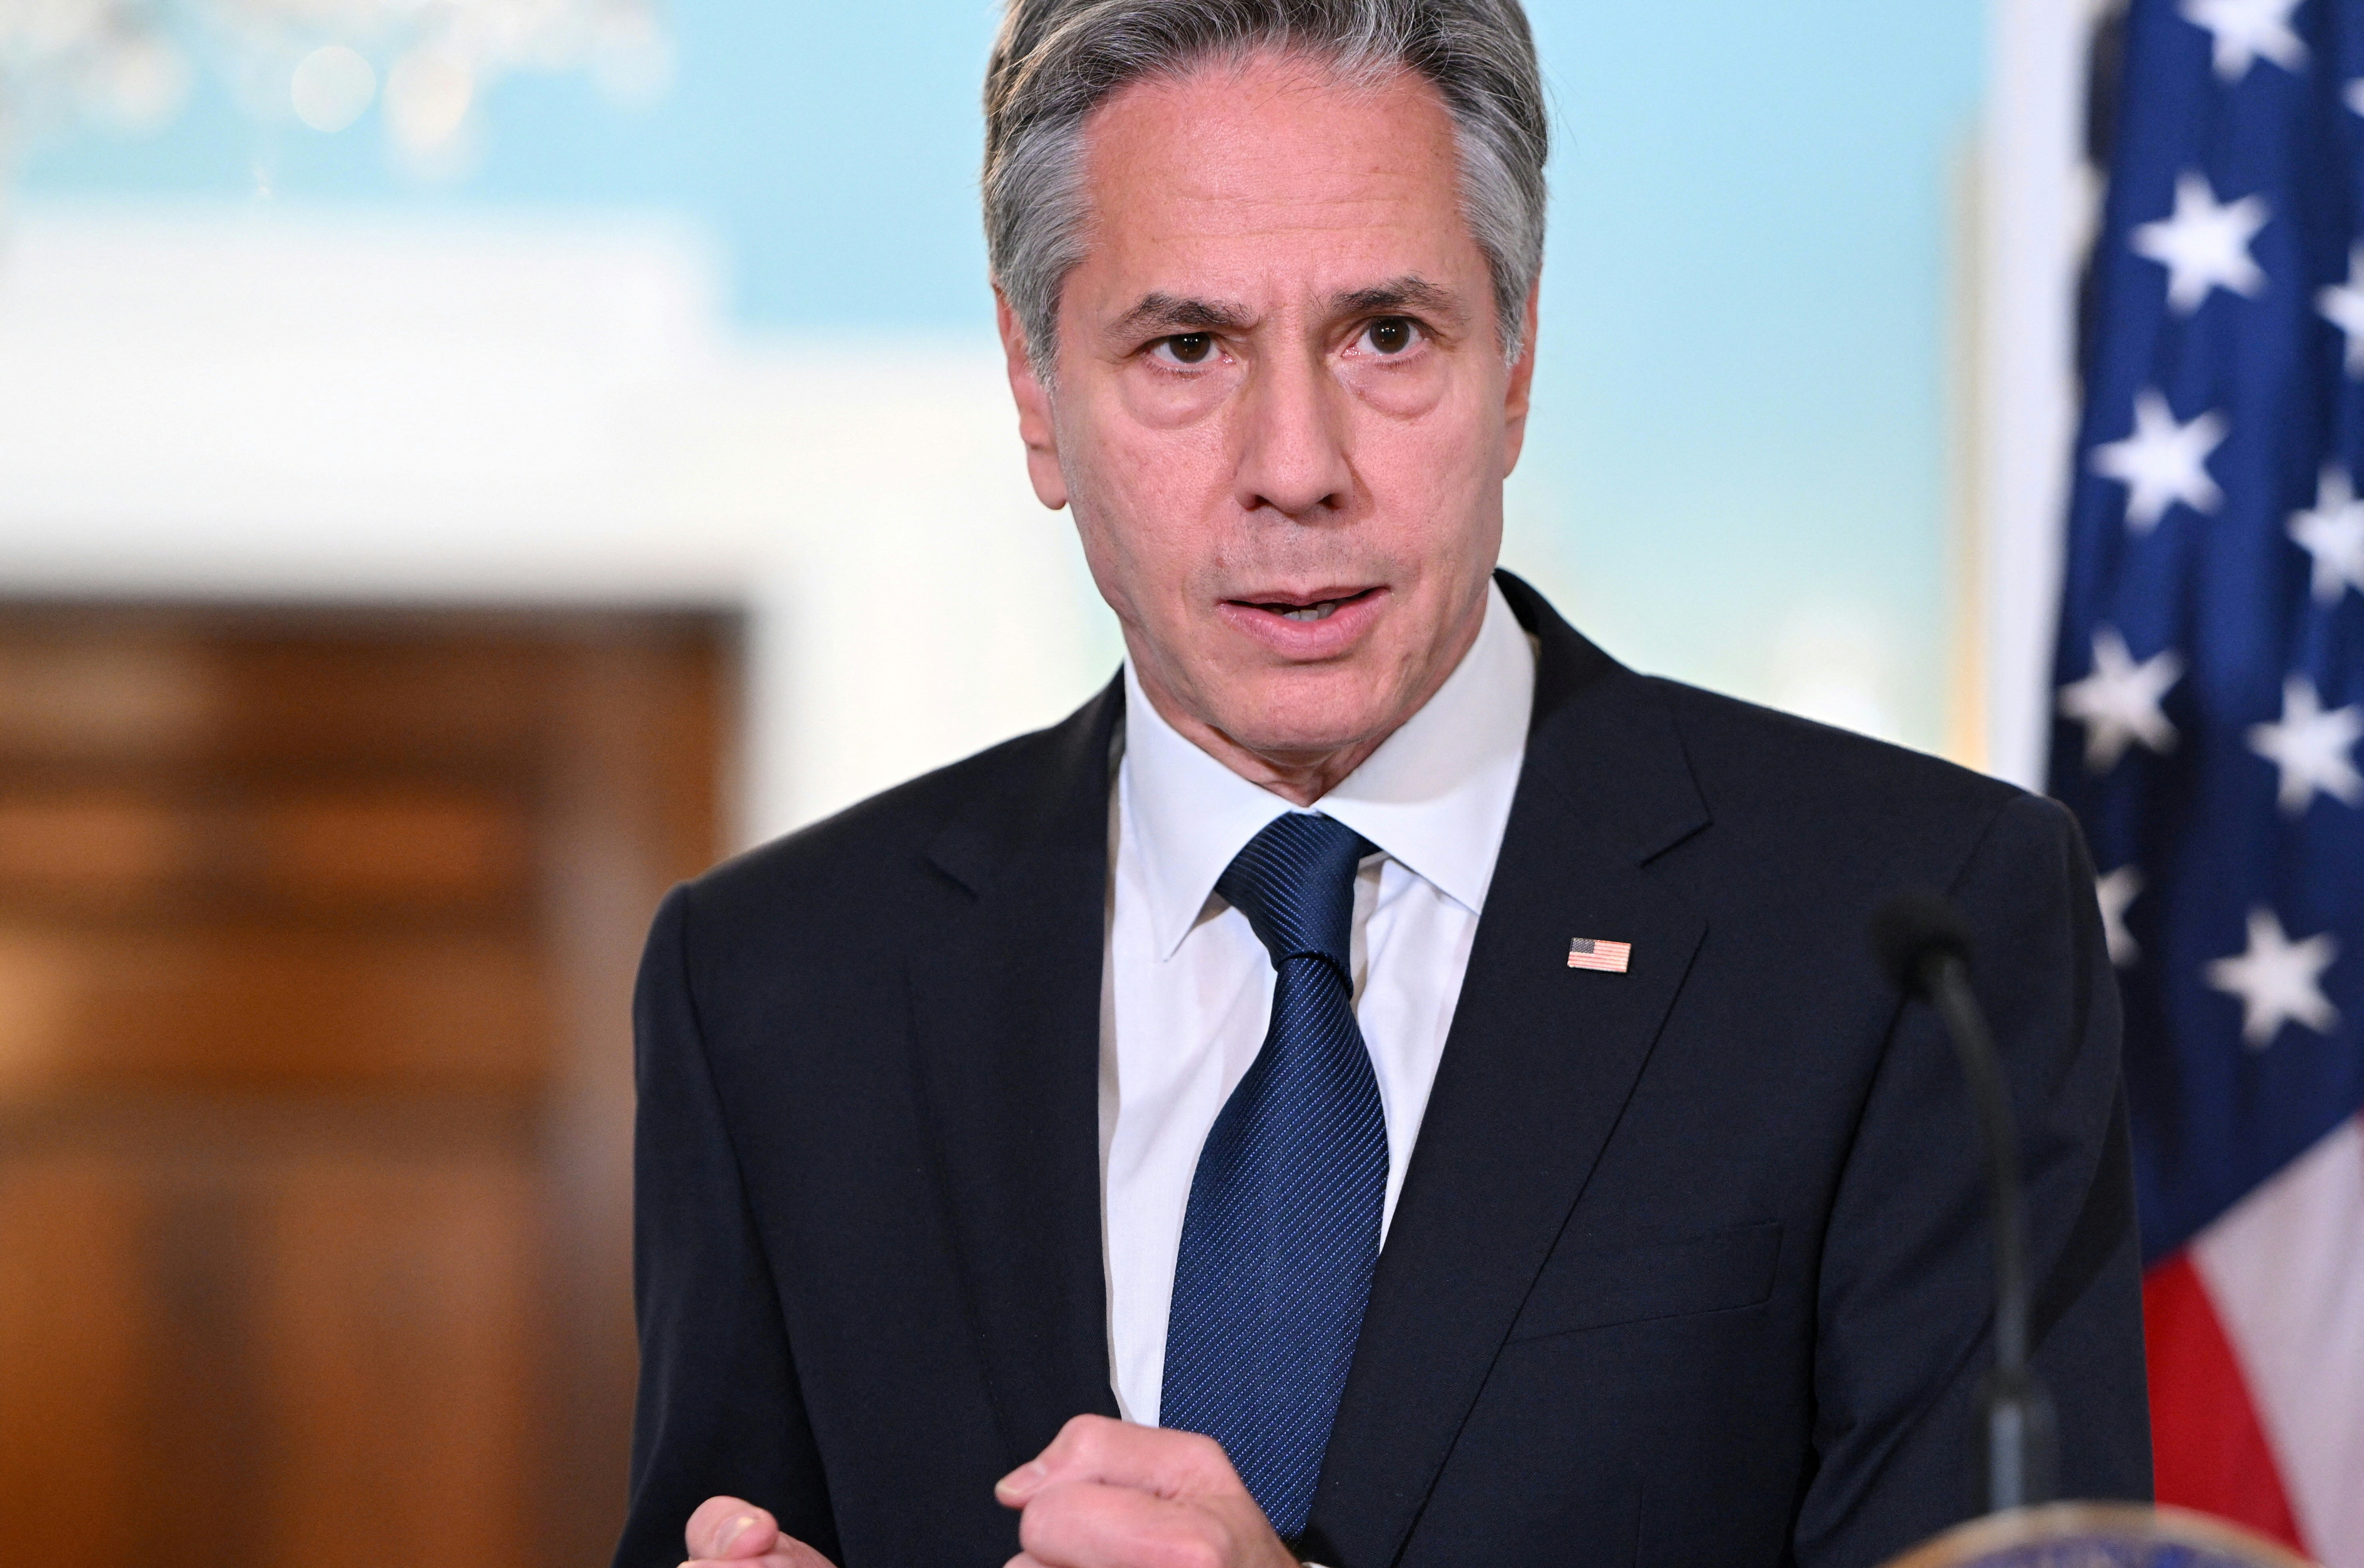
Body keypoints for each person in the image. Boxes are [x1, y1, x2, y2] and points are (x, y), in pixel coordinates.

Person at [614, 3, 2153, 1565]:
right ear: (1035, 384)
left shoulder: (1914, 938)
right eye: (1186, 348)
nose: (1297, 466)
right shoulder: (773, 988)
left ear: (1515, 360)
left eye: (1388, 335)